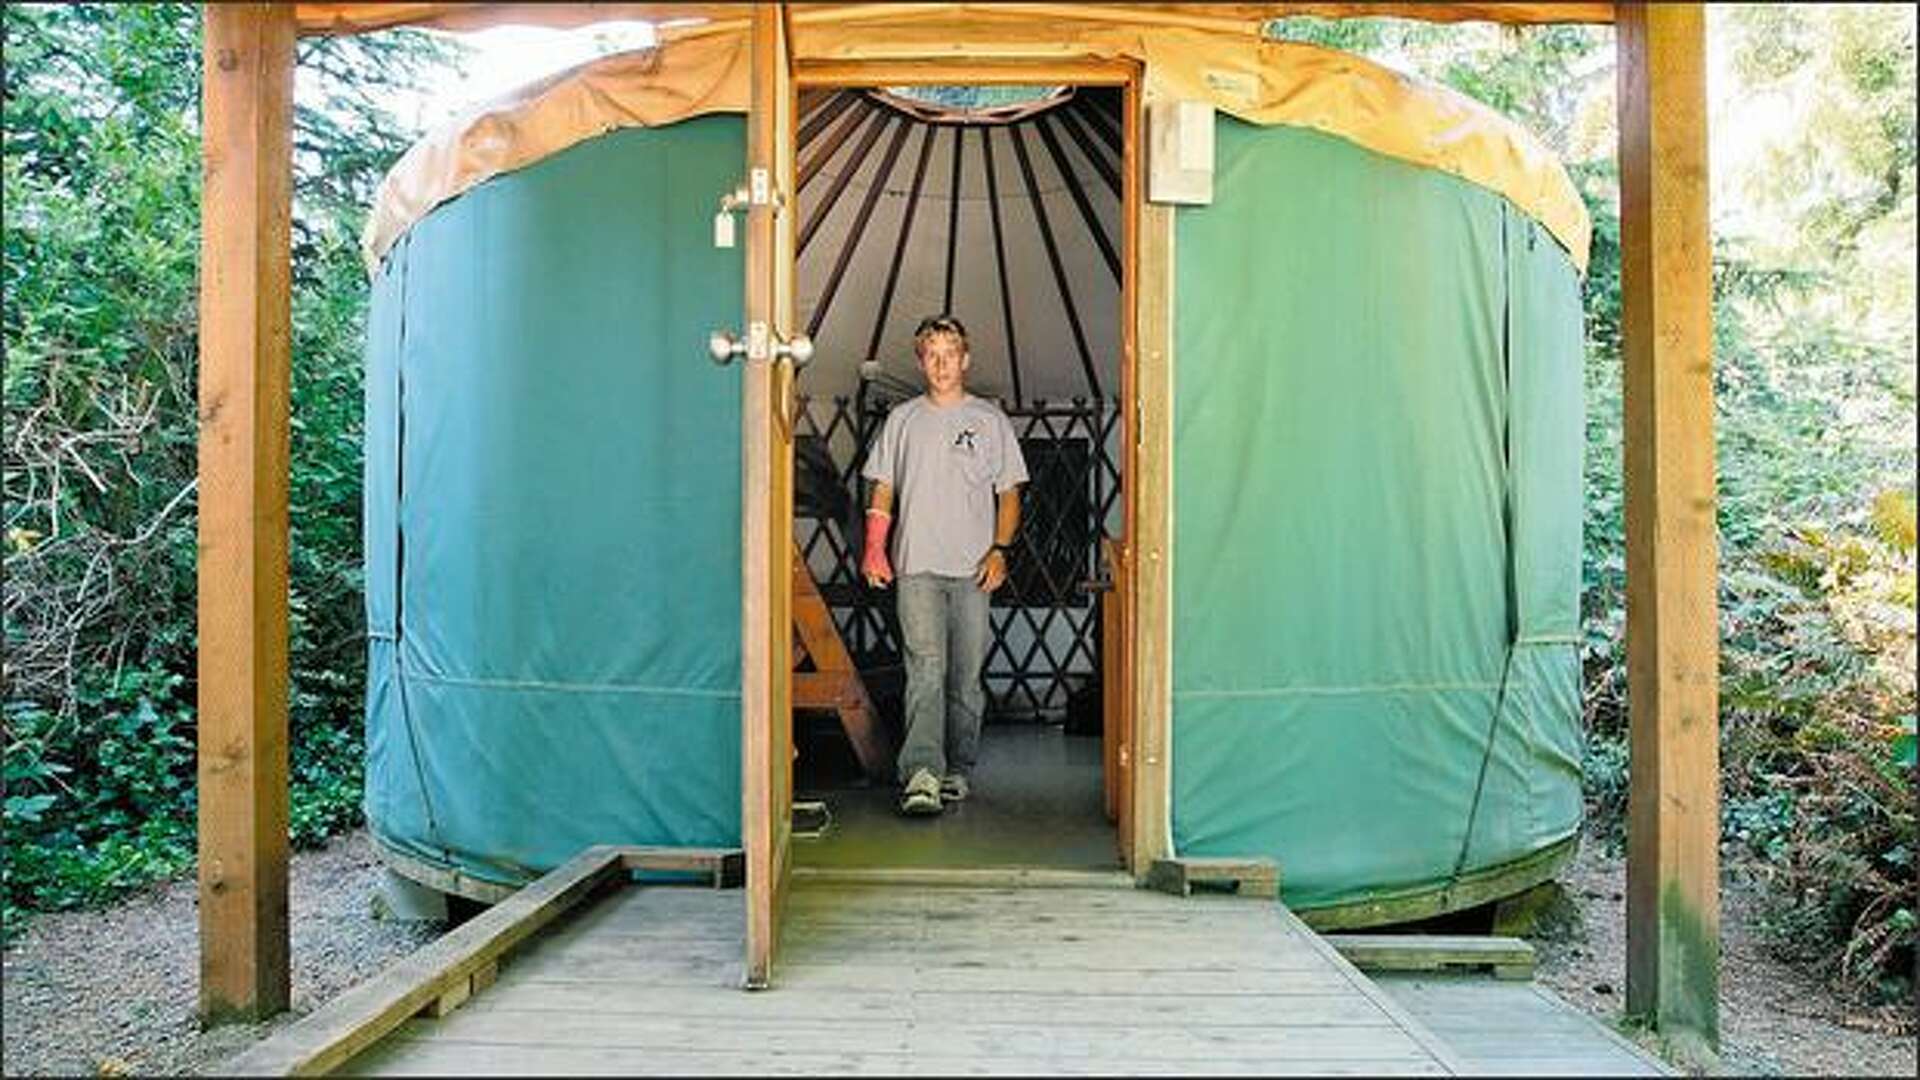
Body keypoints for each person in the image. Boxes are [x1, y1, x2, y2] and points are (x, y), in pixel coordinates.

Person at [860, 314, 1028, 817]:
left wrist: (1000, 550)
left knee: (965, 675)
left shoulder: (990, 420)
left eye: (949, 352)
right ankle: (922, 773)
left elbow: (1010, 493)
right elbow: (882, 487)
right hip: (916, 565)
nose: (940, 363)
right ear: (920, 360)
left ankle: (958, 768)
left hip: (974, 567)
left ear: (965, 359)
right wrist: (874, 547)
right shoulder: (903, 420)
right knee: (925, 669)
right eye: (931, 353)